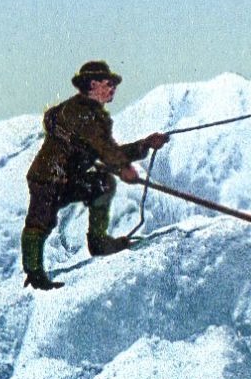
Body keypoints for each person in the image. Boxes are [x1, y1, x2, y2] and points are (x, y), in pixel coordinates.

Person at [19, 60, 169, 291]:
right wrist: (123, 167)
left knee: (101, 183)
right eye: (108, 84)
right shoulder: (80, 112)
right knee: (40, 222)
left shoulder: (90, 114)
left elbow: (107, 149)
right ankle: (34, 274)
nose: (113, 88)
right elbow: (105, 148)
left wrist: (145, 144)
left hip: (68, 178)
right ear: (92, 84)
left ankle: (98, 242)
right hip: (48, 178)